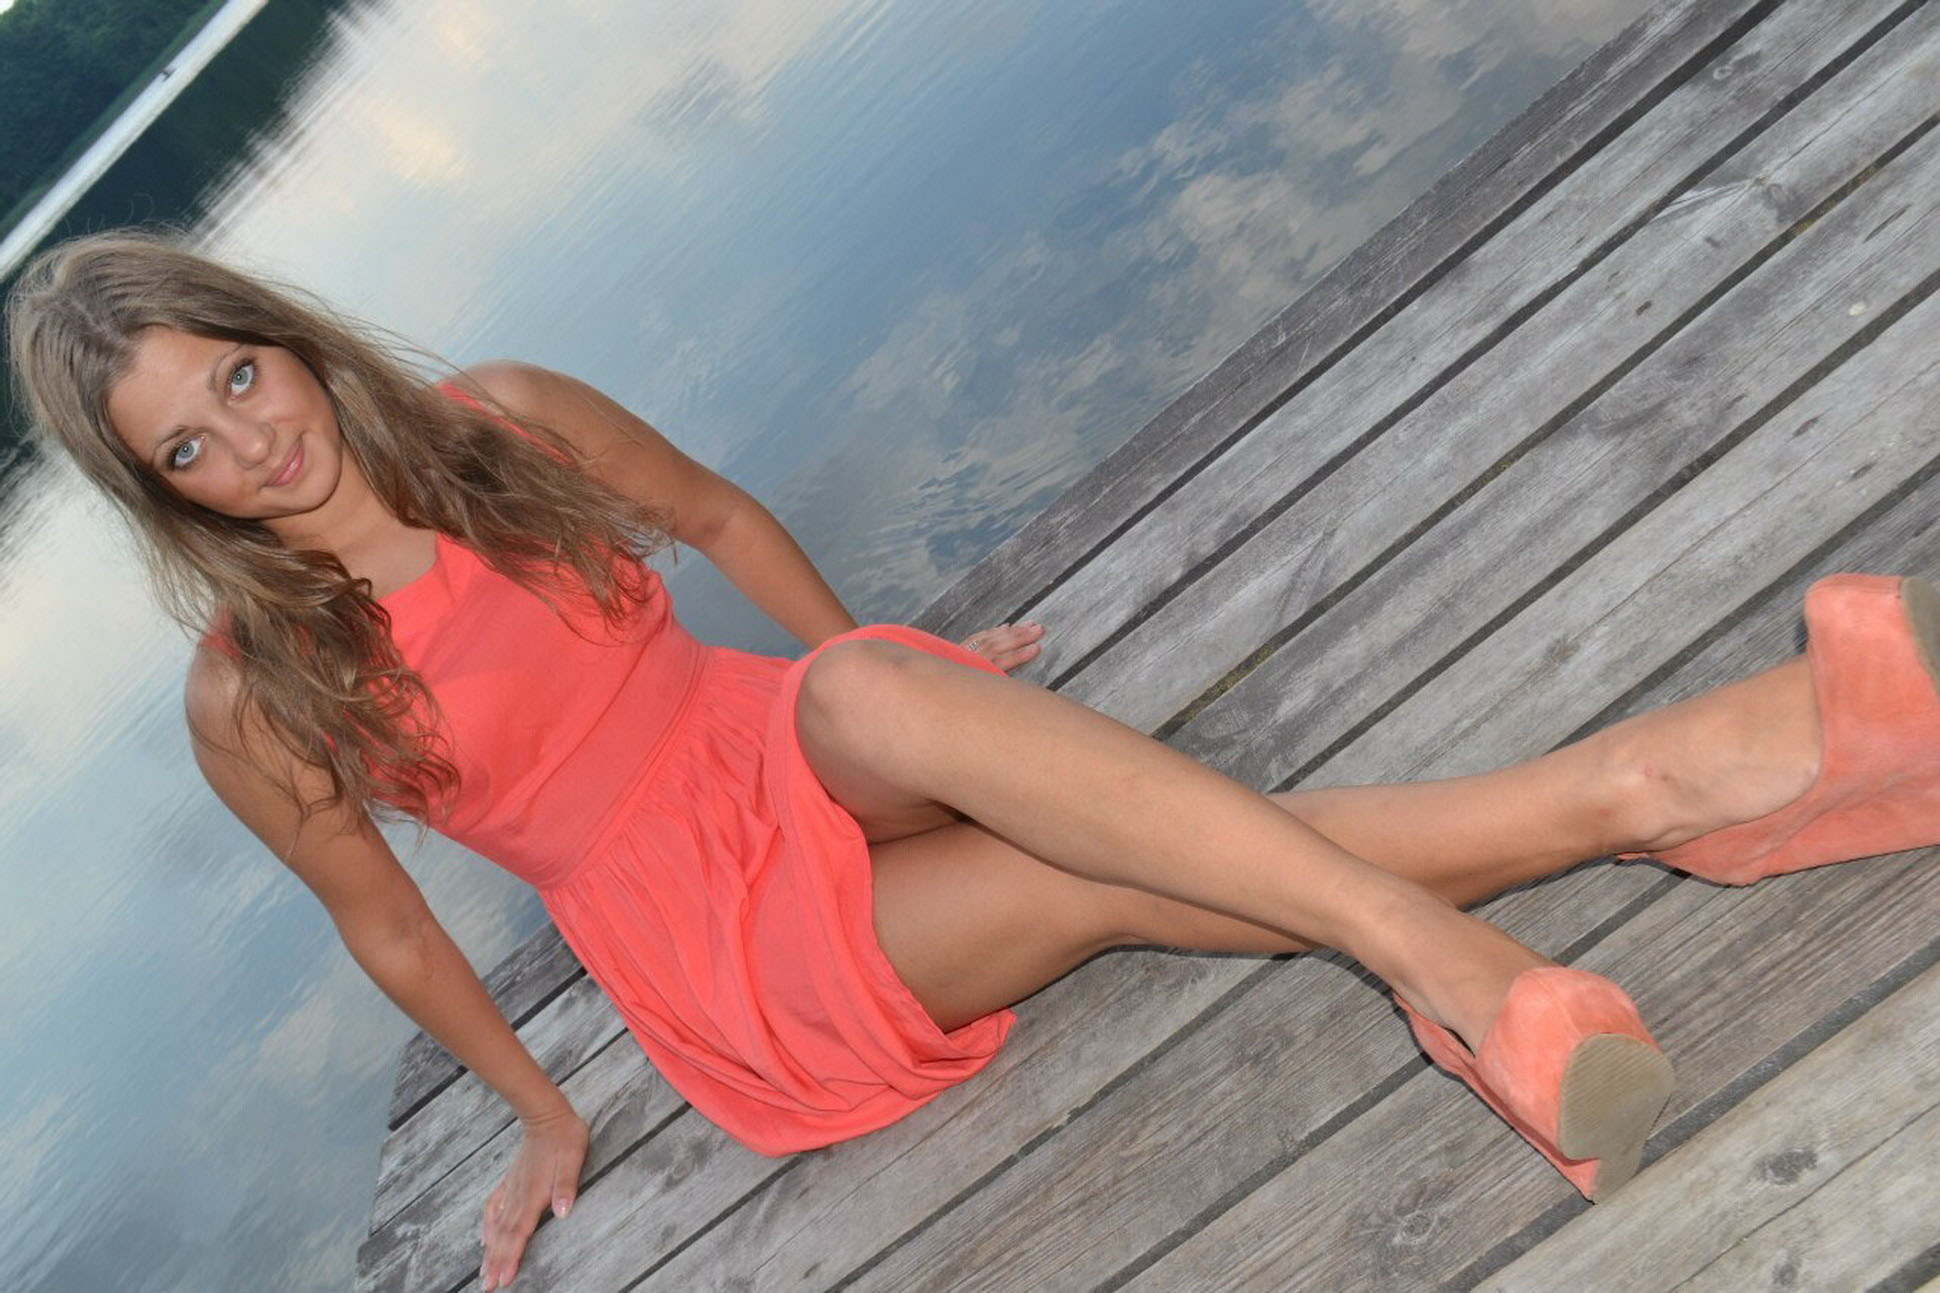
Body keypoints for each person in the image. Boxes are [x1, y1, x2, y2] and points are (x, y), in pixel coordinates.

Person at [9, 231, 1937, 1290]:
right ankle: (1646, 803)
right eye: (187, 448)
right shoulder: (256, 693)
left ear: (283, 338)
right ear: (164, 494)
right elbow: (392, 932)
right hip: (710, 938)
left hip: (781, 744)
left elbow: (718, 515)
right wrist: (537, 1110)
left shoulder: (498, 415)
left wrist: (901, 670)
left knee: (864, 693)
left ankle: (1596, 861)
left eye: (236, 376)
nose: (248, 444)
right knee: (1091, 866)